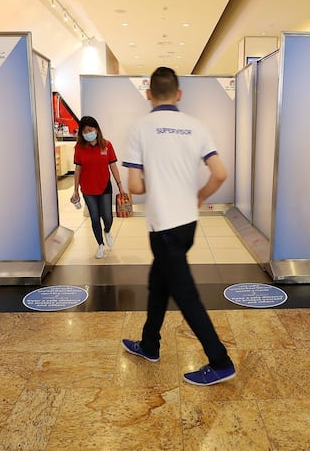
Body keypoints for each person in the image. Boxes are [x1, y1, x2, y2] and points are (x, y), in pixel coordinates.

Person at [120, 67, 236, 386]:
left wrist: (152, 178)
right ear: (179, 94)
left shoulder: (140, 128)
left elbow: (135, 186)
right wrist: (199, 195)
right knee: (158, 284)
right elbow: (220, 173)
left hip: (163, 227)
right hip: (187, 224)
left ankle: (220, 361)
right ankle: (149, 344)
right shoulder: (196, 127)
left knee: (186, 297)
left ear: (148, 95)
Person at [72, 116, 124, 259]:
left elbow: (113, 165)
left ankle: (107, 231)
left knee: (107, 216)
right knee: (95, 218)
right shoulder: (79, 148)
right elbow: (78, 170)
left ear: (96, 129)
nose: (87, 133)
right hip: (88, 188)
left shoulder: (107, 145)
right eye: (84, 131)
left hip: (104, 186)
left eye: (90, 129)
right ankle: (100, 245)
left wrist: (120, 185)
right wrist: (75, 190)